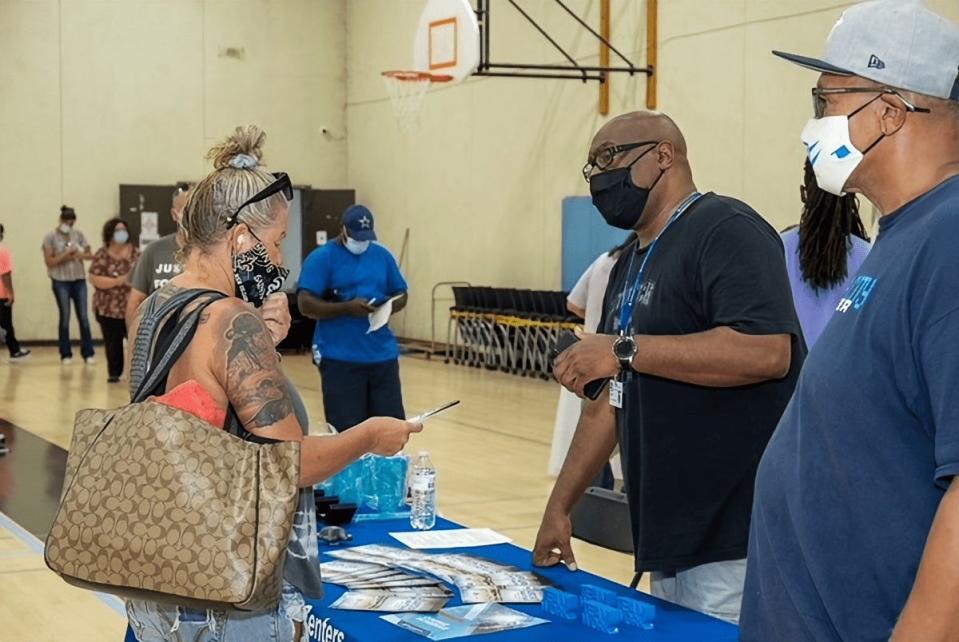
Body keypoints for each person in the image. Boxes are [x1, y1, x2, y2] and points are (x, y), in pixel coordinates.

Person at [125, 125, 421, 641]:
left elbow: (204, 419)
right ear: (241, 238)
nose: (282, 261)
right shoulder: (233, 322)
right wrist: (370, 436)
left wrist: (267, 345)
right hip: (226, 595)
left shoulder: (157, 306)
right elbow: (289, 465)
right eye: (279, 241)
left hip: (162, 580)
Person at [532, 111, 804, 624]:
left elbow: (768, 352)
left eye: (610, 156)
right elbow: (604, 409)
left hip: (734, 536)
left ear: (664, 155)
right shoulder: (628, 262)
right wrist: (559, 506)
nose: (600, 176)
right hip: (669, 535)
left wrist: (622, 350)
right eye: (592, 165)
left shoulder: (726, 229)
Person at [742, 2, 959, 640]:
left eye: (826, 100)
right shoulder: (905, 235)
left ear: (890, 112)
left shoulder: (948, 241)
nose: (814, 125)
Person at [297, 205, 409, 430]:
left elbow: (402, 293)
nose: (361, 242)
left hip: (381, 355)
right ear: (343, 230)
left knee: (390, 427)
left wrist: (387, 306)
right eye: (357, 237)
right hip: (340, 356)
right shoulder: (322, 258)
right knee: (347, 429)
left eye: (366, 237)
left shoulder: (382, 256)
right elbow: (305, 304)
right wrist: (346, 307)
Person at [549, 233, 635, 480]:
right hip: (611, 356)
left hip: (588, 354)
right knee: (610, 434)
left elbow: (573, 304)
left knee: (589, 433)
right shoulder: (634, 265)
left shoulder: (602, 261)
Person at [781, 159, 871, 347]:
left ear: (803, 193)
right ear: (851, 196)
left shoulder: (777, 250)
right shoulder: (872, 257)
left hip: (795, 373)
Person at [125, 185, 189, 322]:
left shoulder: (211, 252)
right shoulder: (154, 251)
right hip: (158, 337)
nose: (193, 216)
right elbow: (135, 302)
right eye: (187, 210)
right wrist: (136, 341)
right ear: (175, 214)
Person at [42, 206, 95, 364]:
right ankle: (65, 353)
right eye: (67, 222)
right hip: (60, 281)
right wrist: (66, 254)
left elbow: (89, 254)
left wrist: (78, 254)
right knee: (65, 317)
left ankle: (88, 353)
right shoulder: (50, 237)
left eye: (71, 223)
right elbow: (50, 262)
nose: (69, 226)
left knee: (84, 317)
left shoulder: (78, 234)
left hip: (78, 280)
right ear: (61, 220)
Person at [88, 218, 139, 382]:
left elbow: (141, 277)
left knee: (136, 341)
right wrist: (118, 281)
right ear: (110, 234)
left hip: (131, 306)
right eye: (117, 230)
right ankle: (114, 373)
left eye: (123, 230)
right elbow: (95, 278)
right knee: (112, 343)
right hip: (107, 308)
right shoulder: (102, 254)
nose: (121, 233)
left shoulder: (136, 253)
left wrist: (128, 281)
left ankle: (137, 375)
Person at [0, 224, 30, 361]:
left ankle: (15, 349)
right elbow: (5, 274)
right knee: (6, 324)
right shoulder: (3, 252)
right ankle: (14, 351)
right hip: (1, 294)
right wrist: (10, 293)